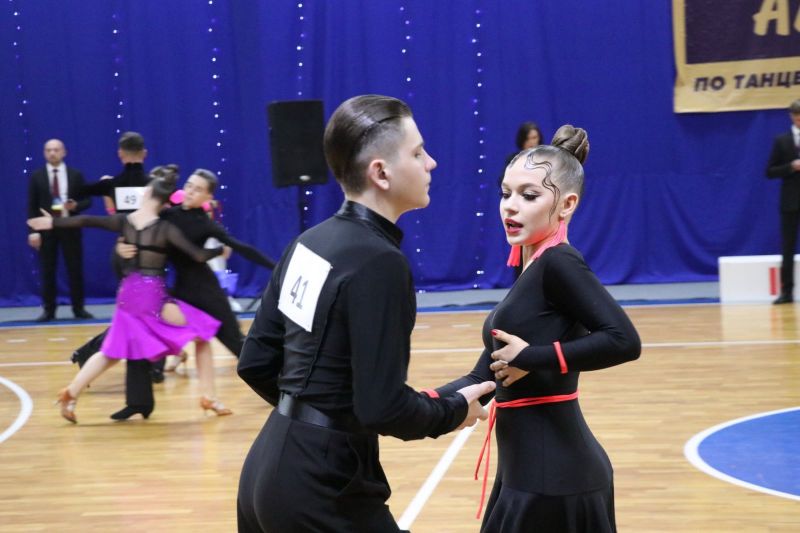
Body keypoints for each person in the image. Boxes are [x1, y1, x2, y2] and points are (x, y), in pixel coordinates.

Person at [236, 94, 496, 533]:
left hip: (269, 465)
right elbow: (382, 407)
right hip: (323, 484)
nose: (431, 163)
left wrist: (312, 419)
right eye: (418, 153)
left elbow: (256, 364)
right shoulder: (380, 261)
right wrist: (452, 412)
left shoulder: (308, 243)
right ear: (381, 172)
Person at [431, 126, 641, 532]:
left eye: (529, 196)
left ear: (566, 205)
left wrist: (535, 357)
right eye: (505, 193)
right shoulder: (532, 266)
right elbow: (484, 377)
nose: (510, 207)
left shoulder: (559, 263)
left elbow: (624, 341)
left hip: (556, 481)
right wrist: (418, 404)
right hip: (526, 476)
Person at [28, 175, 226, 424]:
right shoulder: (164, 228)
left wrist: (53, 222)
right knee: (203, 331)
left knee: (111, 351)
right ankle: (209, 396)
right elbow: (197, 255)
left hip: (127, 293)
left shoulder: (124, 221)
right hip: (151, 296)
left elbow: (87, 220)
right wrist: (220, 249)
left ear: (147, 194)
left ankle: (71, 393)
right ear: (165, 203)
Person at [108, 168, 276, 421]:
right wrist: (121, 247)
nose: (190, 191)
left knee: (238, 345)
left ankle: (279, 393)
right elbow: (136, 229)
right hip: (180, 293)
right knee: (142, 333)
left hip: (208, 295)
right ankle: (138, 402)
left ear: (207, 197)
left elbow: (241, 247)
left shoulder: (206, 224)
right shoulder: (167, 215)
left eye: (198, 190)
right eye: (189, 185)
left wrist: (277, 267)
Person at [27, 139, 93, 321]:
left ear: (64, 152)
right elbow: (32, 206)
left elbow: (88, 200)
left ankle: (78, 308)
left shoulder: (75, 175)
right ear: (44, 153)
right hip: (46, 229)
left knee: (75, 268)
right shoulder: (37, 176)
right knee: (47, 270)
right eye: (48, 150)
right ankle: (49, 310)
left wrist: (75, 205)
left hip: (69, 226)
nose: (52, 153)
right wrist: (33, 231)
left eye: (56, 150)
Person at [767, 99, 800, 304]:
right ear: (791, 116)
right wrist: (790, 167)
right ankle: (786, 292)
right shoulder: (781, 140)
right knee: (787, 248)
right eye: (796, 116)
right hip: (790, 202)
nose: (799, 119)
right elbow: (769, 171)